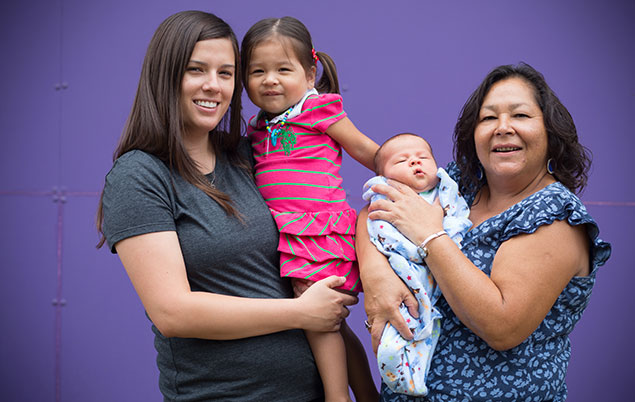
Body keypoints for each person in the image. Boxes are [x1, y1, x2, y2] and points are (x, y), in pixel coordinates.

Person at [95, 11, 358, 402]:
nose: (213, 86)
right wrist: (302, 312)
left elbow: (331, 215)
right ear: (164, 76)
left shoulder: (249, 154)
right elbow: (173, 313)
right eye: (196, 70)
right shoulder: (140, 175)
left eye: (226, 73)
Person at [356, 63, 611, 401]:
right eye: (488, 118)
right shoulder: (459, 183)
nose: (503, 128)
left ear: (550, 132)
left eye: (520, 116)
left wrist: (431, 236)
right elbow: (378, 204)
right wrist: (375, 274)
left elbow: (502, 325)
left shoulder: (554, 215)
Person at [241, 16, 379, 402]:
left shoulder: (316, 110)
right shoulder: (257, 126)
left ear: (310, 72)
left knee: (318, 320)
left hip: (319, 230)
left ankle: (337, 398)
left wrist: (401, 171)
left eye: (283, 69)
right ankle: (368, 395)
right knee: (331, 322)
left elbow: (363, 149)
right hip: (290, 234)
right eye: (257, 71)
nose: (270, 79)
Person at [361, 133, 471, 396]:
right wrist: (374, 267)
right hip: (403, 269)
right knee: (398, 332)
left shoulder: (448, 187)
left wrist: (444, 232)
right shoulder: (386, 193)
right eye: (402, 161)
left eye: (423, 158)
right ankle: (402, 380)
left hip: (440, 276)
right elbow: (375, 222)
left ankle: (414, 376)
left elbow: (458, 218)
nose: (414, 163)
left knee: (425, 327)